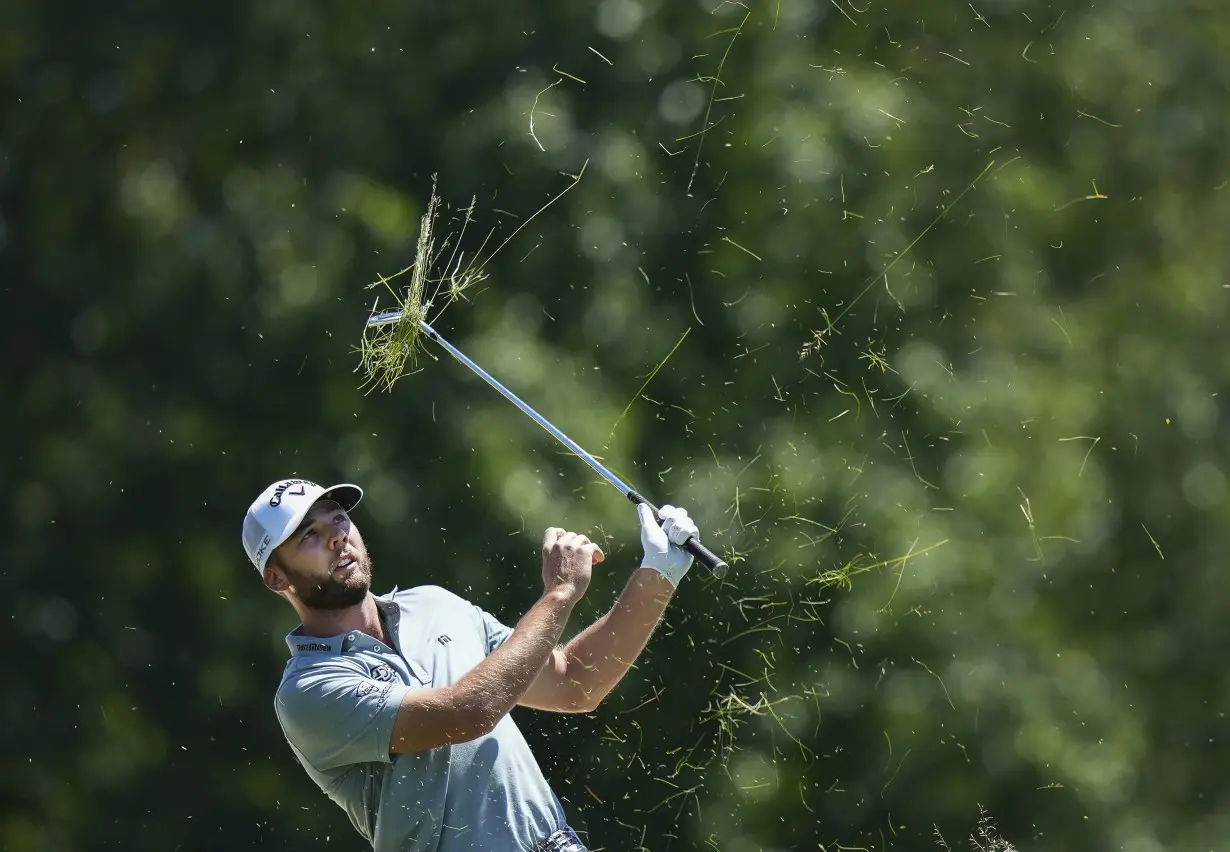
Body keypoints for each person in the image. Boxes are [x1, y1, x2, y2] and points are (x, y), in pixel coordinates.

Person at [240, 476, 702, 852]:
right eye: (310, 536)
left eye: (338, 519)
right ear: (276, 577)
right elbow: (467, 713)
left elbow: (575, 684)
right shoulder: (307, 690)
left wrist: (658, 573)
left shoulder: (434, 604)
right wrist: (559, 594)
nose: (337, 536)